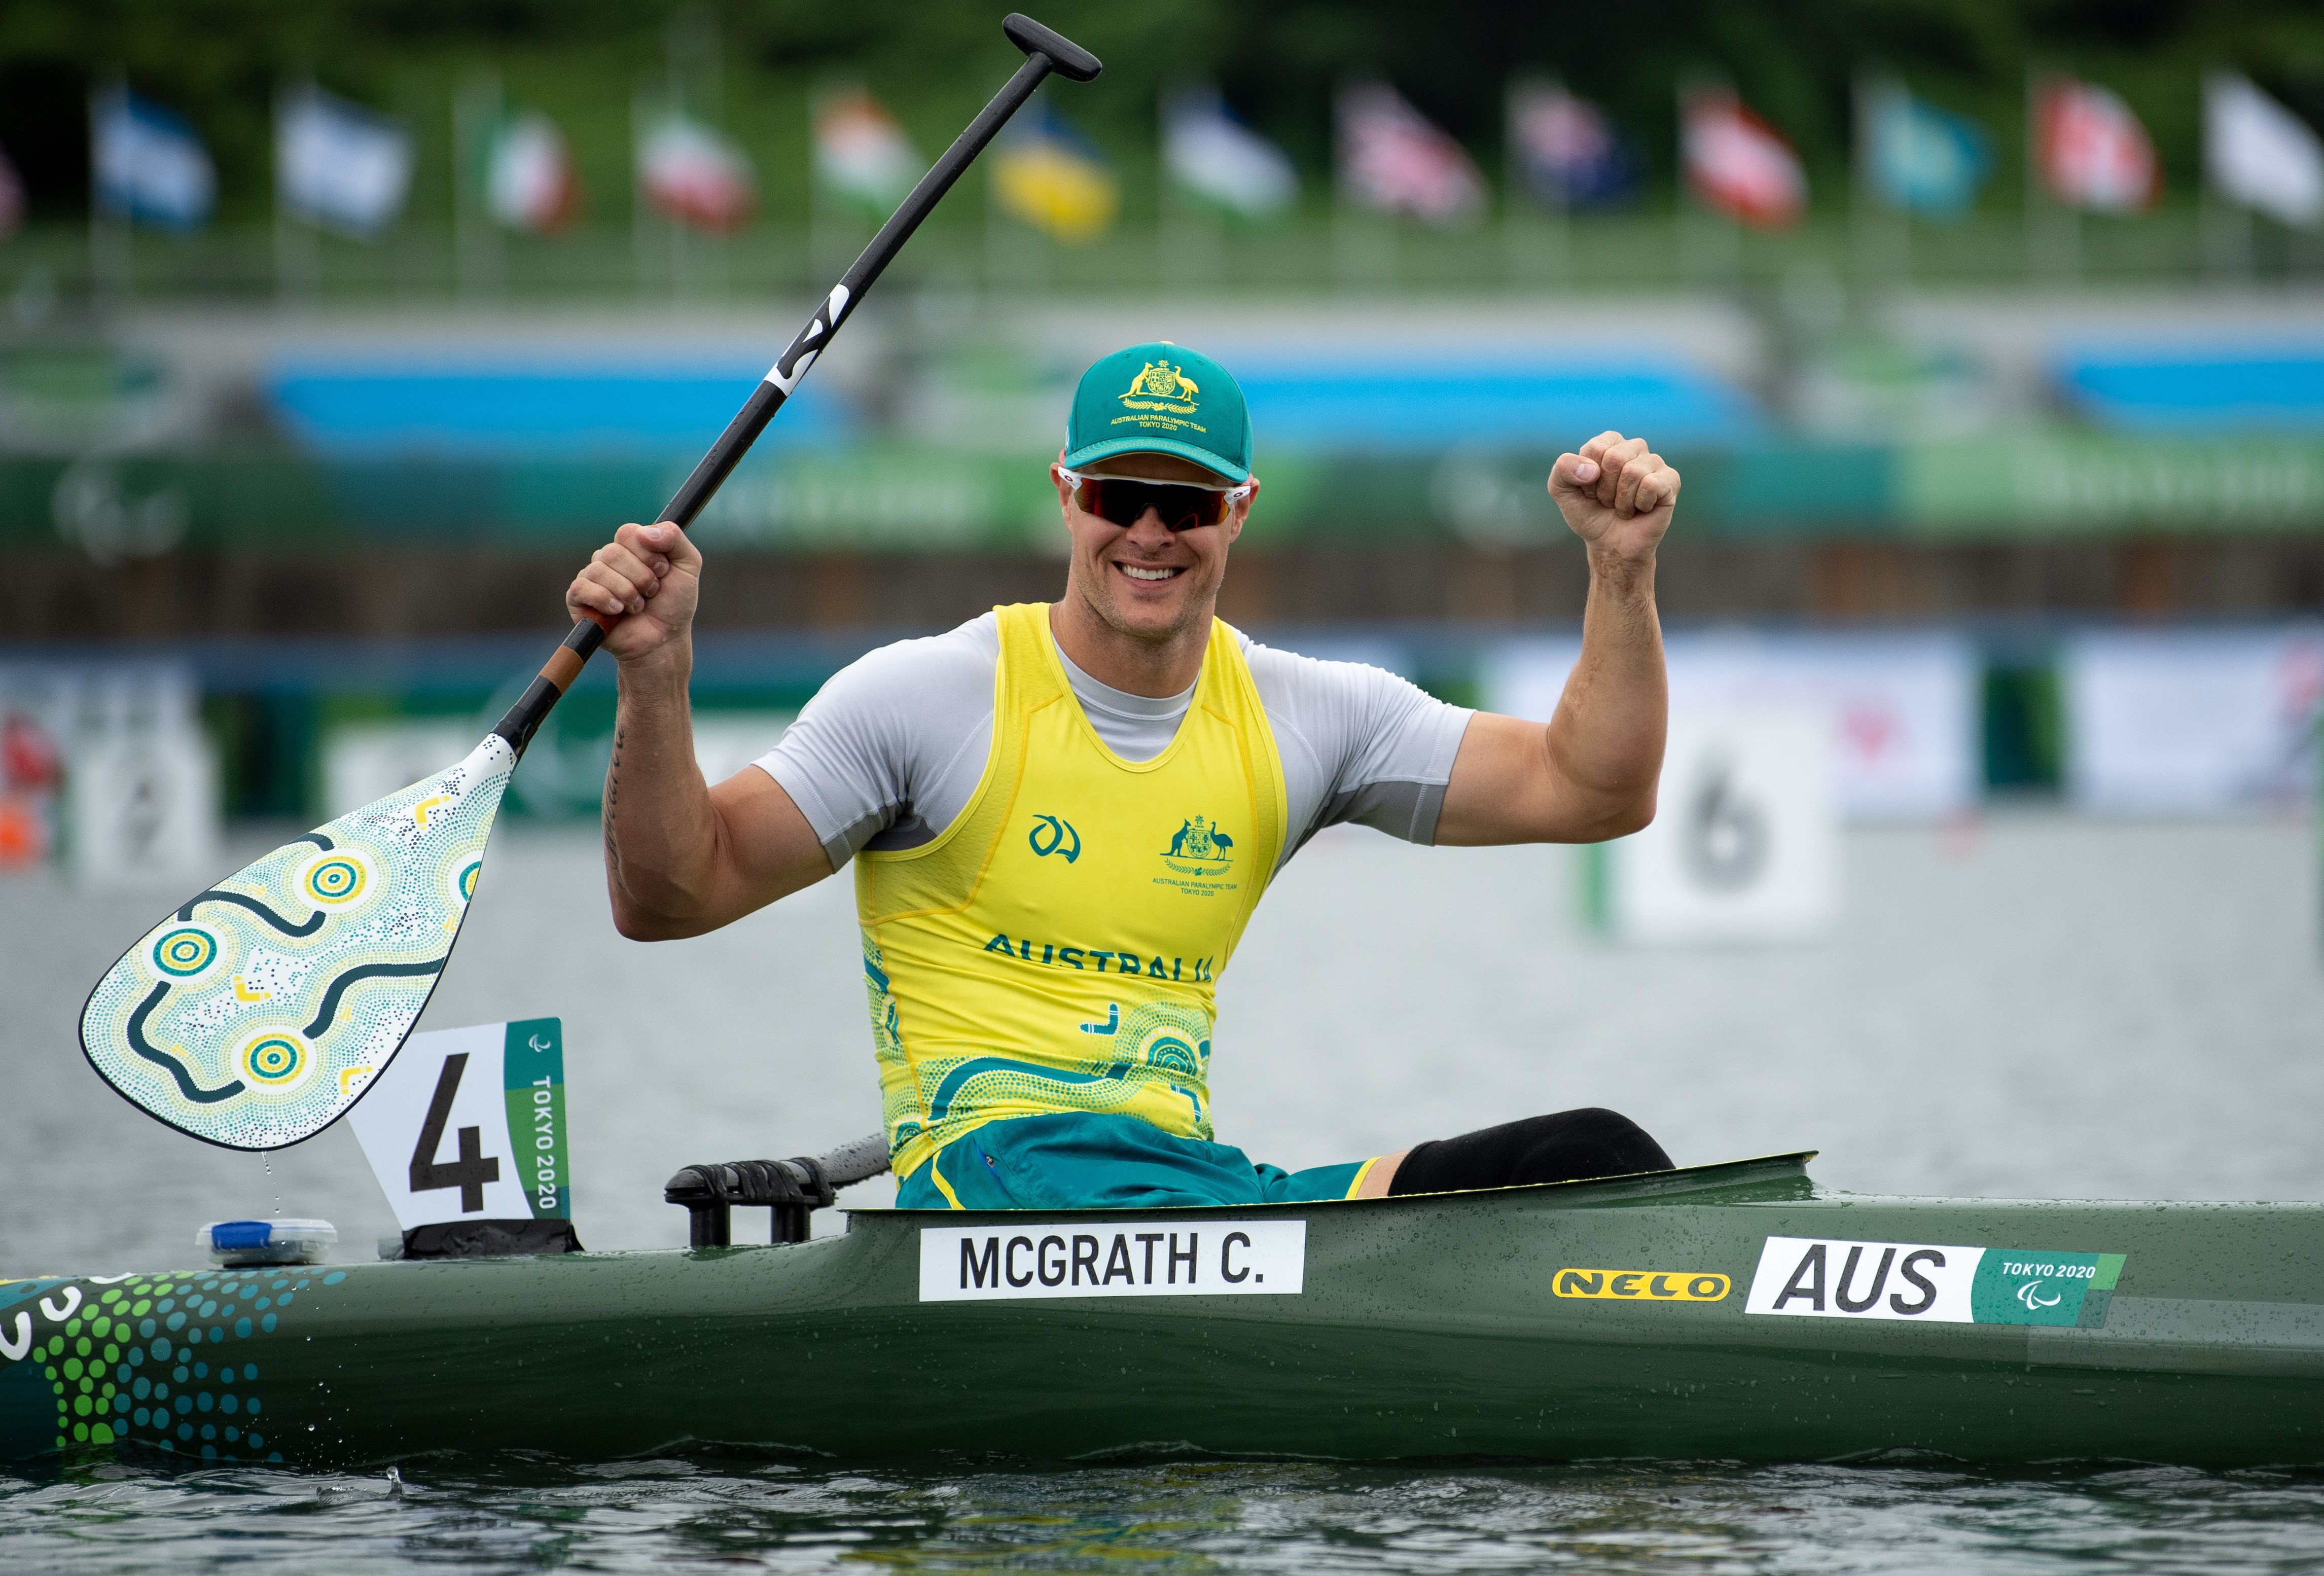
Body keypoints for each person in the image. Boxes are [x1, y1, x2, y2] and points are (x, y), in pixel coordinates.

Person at [567, 342, 1682, 1210]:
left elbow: (1593, 791)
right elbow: (673, 895)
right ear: (1066, 495)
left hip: (1183, 1190)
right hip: (987, 1190)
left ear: (1239, 510)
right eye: (1119, 496)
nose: (1150, 532)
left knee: (1596, 1158)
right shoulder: (925, 697)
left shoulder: (1311, 715)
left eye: (1188, 504)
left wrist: (1619, 572)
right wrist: (656, 674)